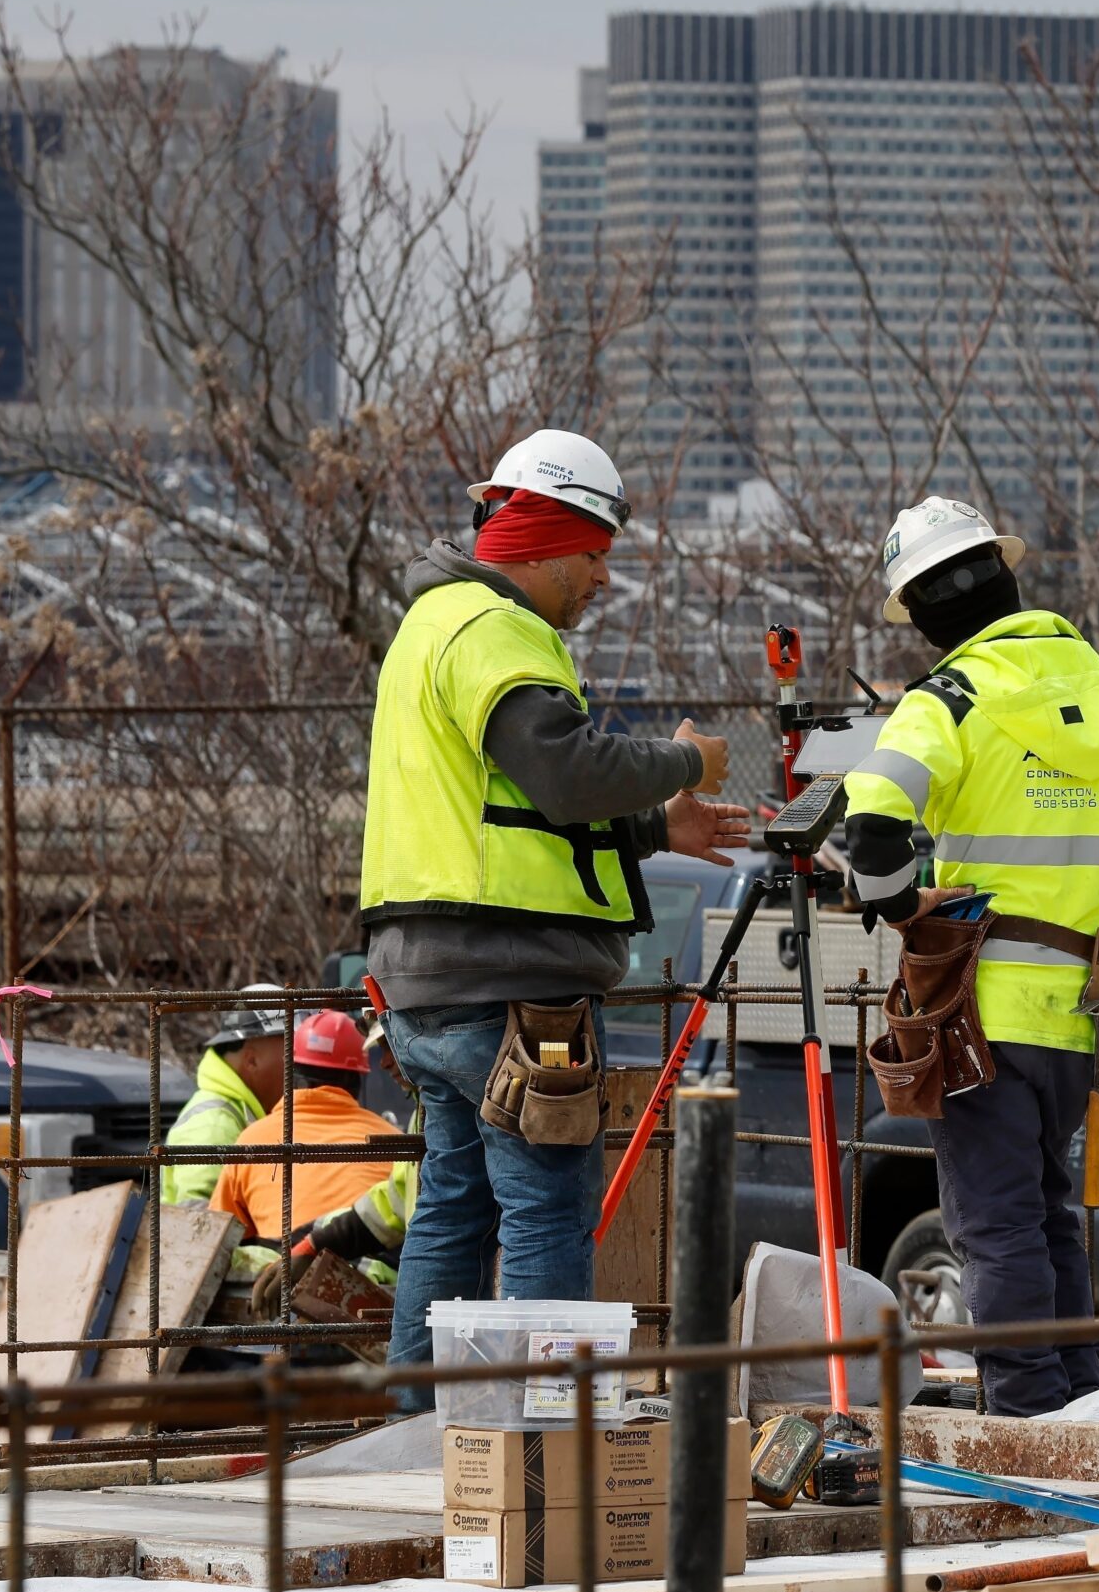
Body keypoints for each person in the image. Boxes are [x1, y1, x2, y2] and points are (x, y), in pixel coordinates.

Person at [362, 428, 750, 1407]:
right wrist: (684, 763)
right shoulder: (496, 633)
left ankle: (421, 1430)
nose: (600, 580)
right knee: (545, 1207)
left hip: (433, 976)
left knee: (452, 1206)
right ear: (541, 540)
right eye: (593, 556)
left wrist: (657, 827)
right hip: (511, 983)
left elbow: (510, 817)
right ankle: (544, 1444)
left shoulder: (431, 626)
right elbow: (565, 771)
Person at [840, 495, 1099, 1417]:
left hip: (976, 1015)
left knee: (993, 1224)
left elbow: (870, 825)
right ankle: (1080, 1407)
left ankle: (1029, 1417)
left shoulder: (949, 700)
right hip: (1081, 1011)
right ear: (1005, 574)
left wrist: (890, 903)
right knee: (1048, 1218)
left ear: (918, 611)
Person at [211, 1010, 401, 1271]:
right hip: (374, 1281)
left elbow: (219, 1235)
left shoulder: (252, 1139)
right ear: (358, 1076)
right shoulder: (392, 1140)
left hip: (284, 1283)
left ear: (291, 1075)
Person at [163, 984, 290, 1206]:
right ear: (252, 1061)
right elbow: (198, 1225)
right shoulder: (213, 1124)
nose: (297, 1065)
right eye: (290, 1053)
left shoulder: (241, 1111)